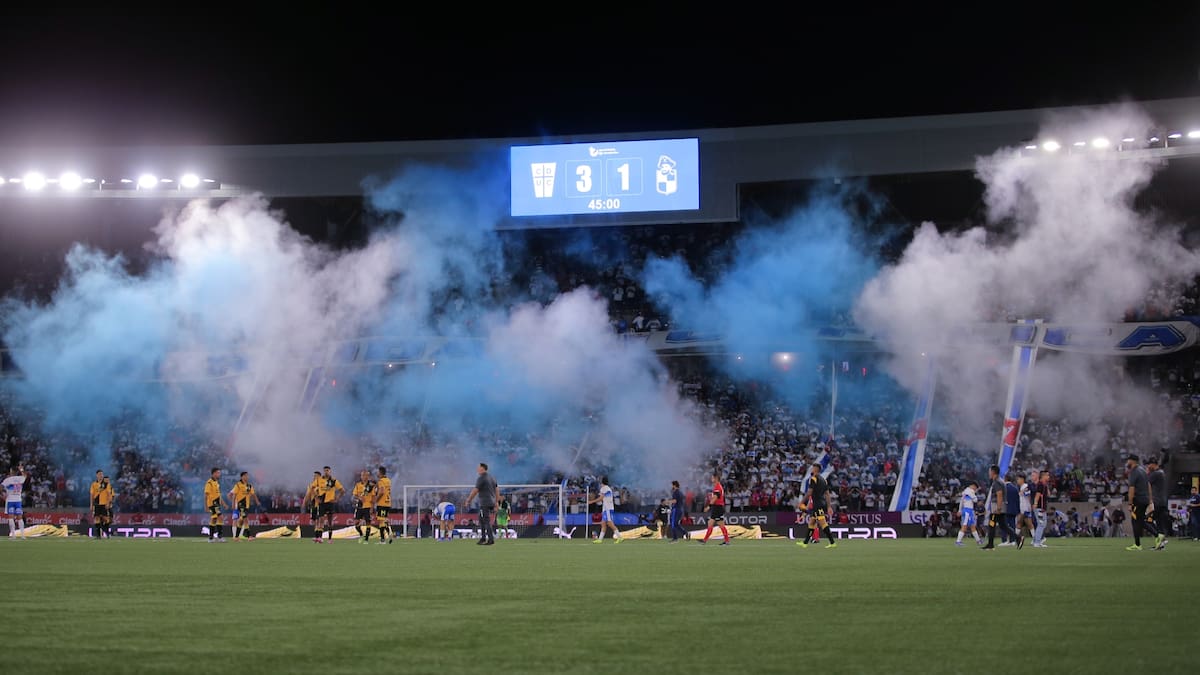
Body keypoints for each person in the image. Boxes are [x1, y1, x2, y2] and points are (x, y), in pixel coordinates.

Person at [797, 465, 836, 549]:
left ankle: (832, 542)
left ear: (815, 469)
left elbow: (809, 492)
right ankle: (805, 543)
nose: (811, 469)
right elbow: (827, 494)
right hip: (821, 503)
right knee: (811, 522)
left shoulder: (813, 479)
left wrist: (801, 502)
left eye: (812, 468)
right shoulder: (824, 480)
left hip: (817, 504)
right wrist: (829, 506)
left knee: (823, 523)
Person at [1124, 454, 1157, 551]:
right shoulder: (1143, 470)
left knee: (1135, 521)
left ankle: (1138, 544)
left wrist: (1130, 504)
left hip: (1138, 500)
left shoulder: (1134, 472)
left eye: (1128, 460)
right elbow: (1148, 486)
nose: (1127, 462)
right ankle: (1157, 535)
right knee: (1140, 521)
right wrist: (1150, 500)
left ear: (1132, 461)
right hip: (1145, 499)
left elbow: (1131, 489)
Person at [982, 465, 1018, 550]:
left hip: (996, 508)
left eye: (990, 471)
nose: (989, 473)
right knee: (1003, 526)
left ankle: (990, 545)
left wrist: (998, 507)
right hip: (1001, 507)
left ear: (993, 472)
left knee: (992, 525)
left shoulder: (996, 482)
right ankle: (1018, 538)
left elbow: (999, 495)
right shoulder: (1001, 481)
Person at [465, 462, 499, 546]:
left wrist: (468, 500)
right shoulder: (492, 477)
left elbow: (475, 490)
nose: (477, 469)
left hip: (485, 503)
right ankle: (483, 538)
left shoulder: (481, 478)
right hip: (491, 501)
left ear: (482, 468)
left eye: (478, 467)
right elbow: (497, 490)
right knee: (481, 519)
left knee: (485, 521)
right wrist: (496, 502)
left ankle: (490, 540)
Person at [699, 471, 732, 546]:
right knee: (718, 524)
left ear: (716, 478)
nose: (711, 479)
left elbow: (715, 498)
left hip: (717, 508)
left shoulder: (717, 487)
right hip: (718, 507)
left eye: (712, 478)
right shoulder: (718, 486)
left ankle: (705, 540)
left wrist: (708, 507)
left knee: (714, 524)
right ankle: (726, 541)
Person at [587, 476, 622, 543]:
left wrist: (591, 502)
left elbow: (601, 498)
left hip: (608, 509)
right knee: (603, 524)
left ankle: (620, 537)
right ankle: (600, 539)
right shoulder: (607, 488)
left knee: (610, 523)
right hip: (607, 508)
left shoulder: (604, 488)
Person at [228, 471, 260, 540]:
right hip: (240, 505)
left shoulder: (249, 486)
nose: (247, 477)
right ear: (242, 477)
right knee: (244, 519)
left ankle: (236, 537)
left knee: (241, 521)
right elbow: (233, 495)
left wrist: (257, 501)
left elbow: (253, 494)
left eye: (247, 476)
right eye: (245, 476)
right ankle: (249, 536)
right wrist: (233, 504)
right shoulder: (238, 485)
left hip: (246, 506)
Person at [1146, 457, 1169, 550]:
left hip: (1157, 501)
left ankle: (1161, 538)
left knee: (1146, 520)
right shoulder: (1161, 472)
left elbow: (1146, 482)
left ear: (1153, 464)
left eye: (1149, 464)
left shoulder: (1155, 474)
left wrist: (1147, 472)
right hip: (1162, 501)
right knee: (1159, 523)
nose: (1148, 466)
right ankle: (1160, 545)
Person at [318, 466, 345, 543]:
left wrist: (337, 499)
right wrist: (317, 497)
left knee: (330, 521)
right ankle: (320, 538)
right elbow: (314, 489)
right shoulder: (319, 480)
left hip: (330, 503)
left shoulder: (334, 481)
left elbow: (342, 490)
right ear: (323, 471)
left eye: (327, 470)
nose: (326, 472)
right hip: (322, 503)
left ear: (330, 471)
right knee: (321, 520)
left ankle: (330, 539)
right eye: (325, 470)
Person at [955, 480, 984, 546]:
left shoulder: (965, 491)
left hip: (968, 510)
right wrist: (975, 494)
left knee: (972, 526)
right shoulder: (970, 491)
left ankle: (978, 540)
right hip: (968, 511)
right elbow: (975, 500)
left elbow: (961, 502)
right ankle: (958, 541)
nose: (975, 489)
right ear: (973, 486)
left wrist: (960, 510)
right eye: (975, 488)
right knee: (965, 526)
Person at [3, 465, 27, 539]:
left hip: (10, 500)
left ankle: (13, 535)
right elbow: (25, 476)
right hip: (18, 500)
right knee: (20, 517)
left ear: (11, 471)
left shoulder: (8, 480)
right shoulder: (20, 478)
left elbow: (1, 487)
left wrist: (2, 495)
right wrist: (22, 469)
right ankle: (22, 535)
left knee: (11, 517)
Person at [352, 470, 376, 544]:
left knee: (368, 523)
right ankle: (361, 534)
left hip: (368, 506)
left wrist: (372, 508)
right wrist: (360, 497)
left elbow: (373, 497)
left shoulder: (371, 486)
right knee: (356, 523)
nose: (364, 477)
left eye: (365, 475)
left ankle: (366, 539)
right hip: (359, 506)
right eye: (362, 475)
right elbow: (354, 494)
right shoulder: (358, 485)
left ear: (368, 476)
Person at [205, 467, 228, 543]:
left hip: (217, 503)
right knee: (218, 518)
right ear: (214, 473)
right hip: (212, 503)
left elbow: (219, 495)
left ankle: (213, 537)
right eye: (218, 473)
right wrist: (206, 506)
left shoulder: (216, 482)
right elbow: (206, 495)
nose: (219, 474)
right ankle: (217, 537)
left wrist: (223, 503)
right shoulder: (209, 482)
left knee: (216, 519)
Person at [89, 469, 114, 539]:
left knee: (105, 519)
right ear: (97, 475)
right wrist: (91, 504)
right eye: (99, 474)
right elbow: (91, 495)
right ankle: (98, 536)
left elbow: (109, 494)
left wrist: (108, 503)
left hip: (104, 504)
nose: (101, 475)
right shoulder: (94, 484)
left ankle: (107, 532)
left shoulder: (107, 484)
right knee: (97, 519)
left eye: (102, 474)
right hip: (96, 504)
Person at [374, 466, 394, 544]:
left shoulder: (381, 481)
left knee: (381, 521)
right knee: (384, 520)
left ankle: (384, 538)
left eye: (377, 472)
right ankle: (388, 533)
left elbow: (382, 491)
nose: (377, 474)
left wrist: (376, 499)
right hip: (387, 503)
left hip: (382, 503)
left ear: (380, 473)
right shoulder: (388, 480)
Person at [1031, 471, 1051, 547]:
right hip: (1040, 507)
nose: (1049, 477)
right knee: (1041, 524)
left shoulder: (1044, 485)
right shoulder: (1040, 485)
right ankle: (1037, 542)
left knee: (1042, 524)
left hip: (1042, 508)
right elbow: (1037, 495)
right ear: (1043, 476)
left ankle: (1035, 540)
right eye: (1047, 475)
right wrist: (1035, 504)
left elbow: (1049, 494)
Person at [1014, 474, 1033, 549]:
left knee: (1020, 522)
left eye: (1018, 479)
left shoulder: (1025, 486)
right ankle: (1036, 539)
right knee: (1027, 524)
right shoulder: (1021, 487)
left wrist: (1029, 506)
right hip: (1023, 508)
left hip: (1025, 508)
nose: (1017, 481)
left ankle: (1015, 539)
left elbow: (1028, 494)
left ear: (1022, 479)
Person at [303, 471, 323, 542]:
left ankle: (320, 537)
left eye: (316, 476)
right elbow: (307, 495)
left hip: (320, 505)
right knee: (314, 521)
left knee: (319, 521)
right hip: (313, 505)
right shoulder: (310, 485)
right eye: (314, 476)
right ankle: (316, 537)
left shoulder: (322, 485)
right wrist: (304, 503)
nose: (315, 477)